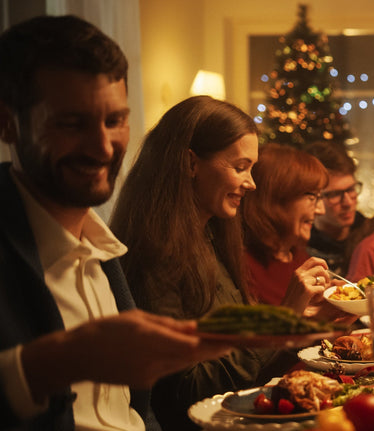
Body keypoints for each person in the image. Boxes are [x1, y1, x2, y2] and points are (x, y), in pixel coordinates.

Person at [0, 16, 229, 430]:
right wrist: (54, 361)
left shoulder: (104, 247)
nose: (103, 147)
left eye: (115, 121)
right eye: (72, 124)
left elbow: (137, 412)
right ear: (8, 123)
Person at [112, 97, 332, 429]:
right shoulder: (156, 254)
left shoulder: (211, 238)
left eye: (252, 169)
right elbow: (189, 392)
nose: (251, 183)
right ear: (191, 164)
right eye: (240, 167)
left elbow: (243, 375)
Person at [240, 143, 333, 306]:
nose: (321, 210)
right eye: (313, 197)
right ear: (276, 198)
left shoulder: (299, 257)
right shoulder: (242, 266)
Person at [303, 141, 370, 276]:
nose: (348, 202)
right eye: (334, 194)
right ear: (314, 197)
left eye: (351, 189)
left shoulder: (371, 233)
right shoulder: (302, 246)